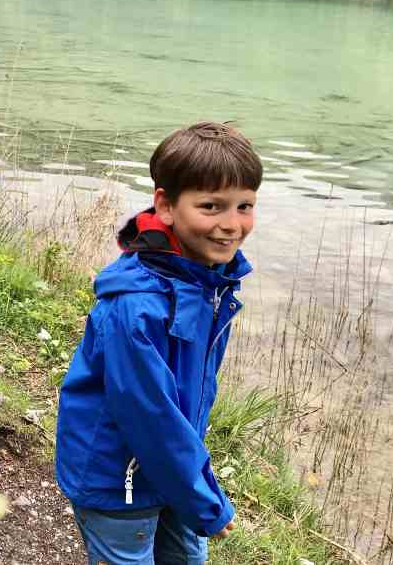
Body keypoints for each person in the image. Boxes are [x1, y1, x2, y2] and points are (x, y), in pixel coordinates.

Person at [55, 122, 262, 564]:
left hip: (174, 467)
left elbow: (183, 400)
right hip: (119, 478)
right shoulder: (137, 308)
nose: (231, 225)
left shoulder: (208, 280)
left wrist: (192, 481)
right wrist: (205, 499)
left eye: (244, 206)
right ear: (165, 206)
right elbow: (151, 415)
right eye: (211, 206)